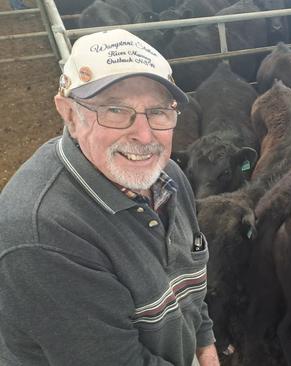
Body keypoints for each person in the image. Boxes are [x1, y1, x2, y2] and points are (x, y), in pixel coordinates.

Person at [0, 29, 220, 366]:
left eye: (159, 111)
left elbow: (189, 288)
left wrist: (205, 349)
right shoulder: (42, 237)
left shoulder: (169, 178)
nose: (145, 135)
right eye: (115, 110)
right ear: (70, 114)